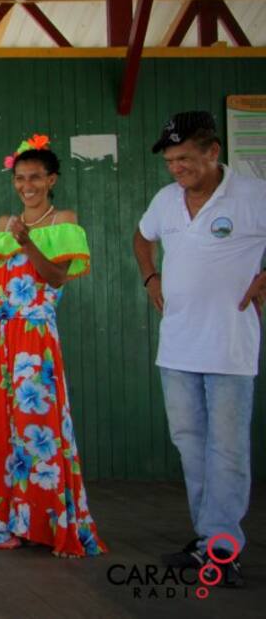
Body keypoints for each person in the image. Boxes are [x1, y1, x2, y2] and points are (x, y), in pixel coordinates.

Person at [133, 111, 266, 586]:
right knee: (189, 445)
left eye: (185, 158)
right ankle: (208, 537)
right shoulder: (166, 200)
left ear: (213, 152)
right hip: (177, 346)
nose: (177, 169)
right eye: (170, 161)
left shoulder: (253, 194)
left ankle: (222, 547)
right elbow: (141, 237)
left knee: (227, 448)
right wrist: (151, 275)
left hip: (230, 346)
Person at [0, 134, 104, 557]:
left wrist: (25, 242)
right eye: (21, 178)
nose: (27, 185)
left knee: (36, 426)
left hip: (32, 336)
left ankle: (47, 523)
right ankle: (4, 524)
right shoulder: (5, 223)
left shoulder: (64, 221)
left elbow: (56, 278)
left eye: (36, 177)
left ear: (51, 179)